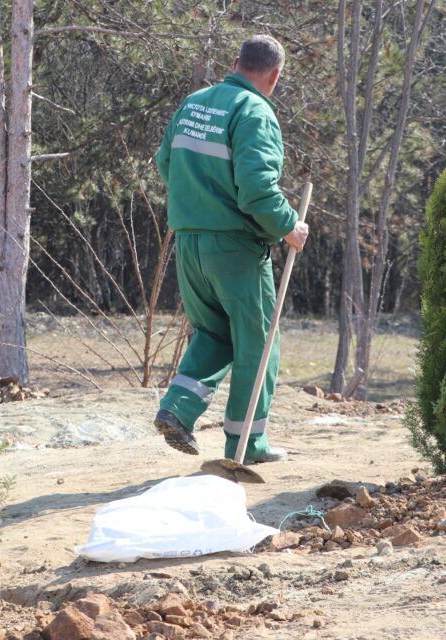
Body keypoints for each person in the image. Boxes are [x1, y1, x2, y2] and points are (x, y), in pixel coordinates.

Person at [153, 34, 309, 463]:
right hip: (235, 249)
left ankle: (177, 410)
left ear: (236, 61)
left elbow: (165, 163)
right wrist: (289, 227)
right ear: (275, 76)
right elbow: (258, 193)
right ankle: (248, 445)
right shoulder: (254, 111)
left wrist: (199, 201)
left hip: (188, 244)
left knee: (216, 333)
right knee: (258, 345)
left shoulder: (195, 102)